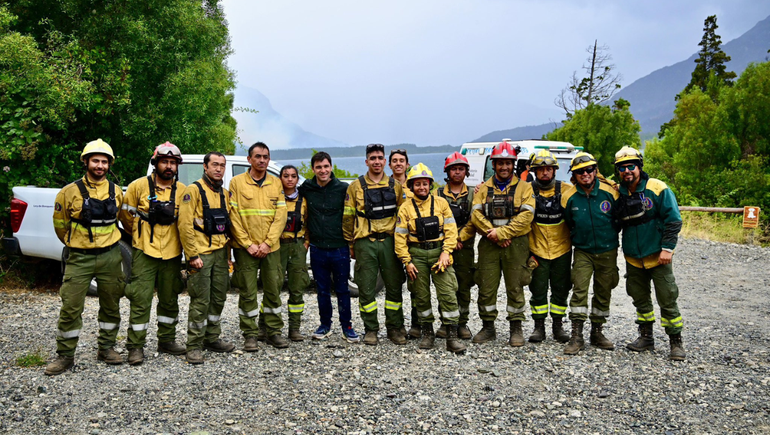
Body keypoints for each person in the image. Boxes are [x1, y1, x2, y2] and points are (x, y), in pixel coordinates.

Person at [46, 139, 126, 375]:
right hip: (79, 258)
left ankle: (107, 348)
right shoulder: (69, 192)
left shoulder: (116, 191)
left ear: (109, 165)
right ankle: (65, 356)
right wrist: (76, 244)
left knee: (111, 304)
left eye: (104, 161)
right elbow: (60, 226)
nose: (100, 165)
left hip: (111, 256)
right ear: (86, 161)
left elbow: (121, 220)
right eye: (95, 160)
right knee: (70, 306)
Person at [613, 146, 685, 361]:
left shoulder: (657, 188)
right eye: (622, 168)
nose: (627, 171)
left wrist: (667, 248)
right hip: (633, 258)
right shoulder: (619, 192)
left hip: (658, 256)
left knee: (667, 298)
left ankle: (676, 342)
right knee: (639, 299)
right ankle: (646, 337)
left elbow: (673, 219)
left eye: (631, 166)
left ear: (639, 166)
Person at [119, 142, 186, 365]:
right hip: (144, 252)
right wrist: (139, 234)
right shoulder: (138, 187)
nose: (168, 166)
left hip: (172, 253)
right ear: (155, 163)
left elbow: (186, 223)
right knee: (140, 299)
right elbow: (126, 217)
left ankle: (167, 340)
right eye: (164, 162)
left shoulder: (183, 191)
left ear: (177, 166)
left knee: (170, 299)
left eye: (173, 163)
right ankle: (135, 347)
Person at [394, 163, 466, 354]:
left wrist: (446, 252)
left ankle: (452, 336)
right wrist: (407, 262)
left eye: (425, 183)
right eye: (417, 184)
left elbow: (451, 231)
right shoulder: (405, 209)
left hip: (439, 254)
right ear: (411, 186)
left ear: (430, 184)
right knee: (421, 297)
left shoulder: (441, 203)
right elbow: (400, 238)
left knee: (448, 294)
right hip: (416, 256)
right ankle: (427, 333)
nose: (422, 187)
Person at [470, 141, 536, 346]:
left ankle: (516, 328)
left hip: (516, 244)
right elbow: (475, 213)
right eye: (500, 163)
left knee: (515, 286)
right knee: (486, 287)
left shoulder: (525, 187)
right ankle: (488, 327)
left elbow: (527, 215)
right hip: (489, 244)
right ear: (494, 164)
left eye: (508, 163)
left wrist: (502, 233)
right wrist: (494, 235)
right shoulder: (483, 188)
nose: (504, 167)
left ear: (513, 163)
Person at [343, 143, 407, 346]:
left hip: (390, 242)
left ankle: (394, 328)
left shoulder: (395, 187)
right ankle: (371, 329)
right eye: (373, 158)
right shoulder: (355, 187)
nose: (377, 161)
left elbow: (403, 215)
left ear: (384, 161)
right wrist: (350, 243)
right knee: (366, 288)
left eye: (380, 158)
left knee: (394, 288)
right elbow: (348, 217)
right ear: (366, 161)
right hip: (365, 243)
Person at [228, 142, 288, 350]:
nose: (262, 160)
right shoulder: (237, 183)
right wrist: (248, 244)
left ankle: (273, 331)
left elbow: (281, 216)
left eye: (266, 157)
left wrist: (267, 243)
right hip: (246, 249)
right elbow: (233, 217)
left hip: (271, 248)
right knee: (248, 292)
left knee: (273, 289)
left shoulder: (276, 183)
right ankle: (250, 334)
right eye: (258, 156)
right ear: (249, 159)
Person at [178, 151, 234, 364]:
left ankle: (212, 338)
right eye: (215, 165)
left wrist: (228, 257)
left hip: (220, 255)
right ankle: (194, 346)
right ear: (205, 166)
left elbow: (226, 229)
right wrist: (192, 255)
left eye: (222, 165)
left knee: (218, 297)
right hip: (201, 254)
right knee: (200, 300)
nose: (219, 169)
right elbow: (184, 225)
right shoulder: (193, 190)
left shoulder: (224, 194)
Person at [298, 152, 360, 342]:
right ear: (313, 169)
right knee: (322, 290)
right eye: (318, 167)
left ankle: (347, 327)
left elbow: (354, 214)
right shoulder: (307, 188)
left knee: (342, 290)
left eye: (326, 166)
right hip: (317, 249)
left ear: (331, 167)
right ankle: (325, 325)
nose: (323, 170)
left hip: (339, 248)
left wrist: (352, 243)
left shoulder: (343, 188)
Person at [562, 152, 619, 355]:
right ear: (574, 175)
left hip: (607, 250)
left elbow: (619, 218)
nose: (585, 174)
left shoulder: (610, 192)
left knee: (604, 291)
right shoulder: (569, 196)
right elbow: (569, 222)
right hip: (583, 251)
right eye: (580, 172)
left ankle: (597, 332)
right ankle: (576, 335)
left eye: (589, 170)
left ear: (595, 171)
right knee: (579, 290)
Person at [527, 150, 574, 344]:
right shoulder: (526, 190)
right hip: (536, 250)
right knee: (537, 289)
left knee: (561, 289)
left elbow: (588, 186)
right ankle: (539, 327)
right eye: (540, 169)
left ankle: (558, 325)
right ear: (534, 171)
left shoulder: (567, 189)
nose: (545, 173)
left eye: (548, 169)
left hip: (561, 250)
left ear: (555, 170)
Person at [434, 152, 476, 340]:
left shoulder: (475, 193)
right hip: (443, 248)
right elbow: (433, 219)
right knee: (446, 286)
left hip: (465, 248)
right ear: (447, 171)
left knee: (464, 285)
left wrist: (460, 238)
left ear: (466, 171)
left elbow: (476, 220)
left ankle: (462, 323)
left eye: (460, 169)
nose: (457, 172)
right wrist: (450, 242)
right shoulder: (437, 194)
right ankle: (445, 321)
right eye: (453, 169)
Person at [273, 165, 310, 342]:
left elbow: (310, 222)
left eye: (293, 176)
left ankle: (294, 328)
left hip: (297, 246)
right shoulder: (275, 197)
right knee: (273, 286)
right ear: (280, 178)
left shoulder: (303, 200)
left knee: (297, 287)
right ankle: (269, 327)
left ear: (297, 179)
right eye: (285, 176)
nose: (289, 179)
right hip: (278, 246)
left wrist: (306, 242)